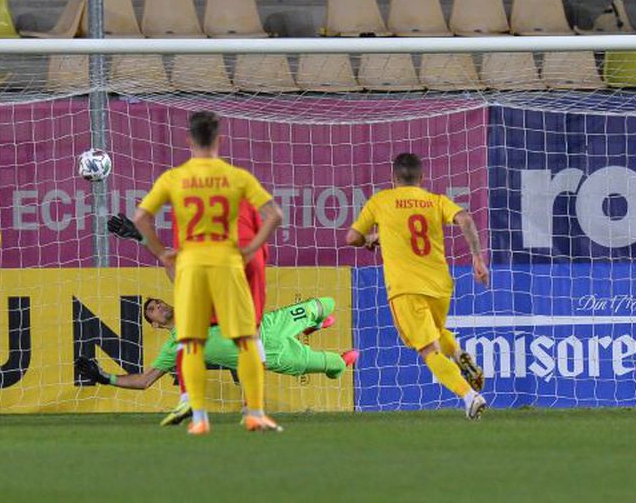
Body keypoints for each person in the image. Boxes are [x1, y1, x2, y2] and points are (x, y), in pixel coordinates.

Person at [133, 110, 284, 435]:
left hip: (191, 267)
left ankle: (200, 418)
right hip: (227, 264)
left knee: (190, 344)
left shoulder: (174, 178)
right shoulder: (237, 176)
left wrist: (161, 251)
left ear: (189, 140)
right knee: (246, 339)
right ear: (219, 140)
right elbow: (274, 215)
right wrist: (250, 247)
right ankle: (254, 413)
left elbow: (140, 218)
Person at [346, 152, 489, 420]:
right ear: (422, 178)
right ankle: (458, 353)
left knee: (428, 350)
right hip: (440, 285)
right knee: (437, 331)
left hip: (405, 288)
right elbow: (466, 219)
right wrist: (478, 259)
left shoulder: (381, 201)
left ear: (392, 178)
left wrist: (370, 239)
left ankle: (469, 397)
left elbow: (352, 237)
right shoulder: (435, 200)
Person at [75, 297, 358, 426]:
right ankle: (333, 360)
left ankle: (314, 325)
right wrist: (106, 378)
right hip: (270, 356)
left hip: (268, 325)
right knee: (334, 364)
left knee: (326, 303)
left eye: (158, 303)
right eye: (152, 310)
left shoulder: (194, 307)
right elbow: (145, 380)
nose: (158, 307)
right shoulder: (174, 346)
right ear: (156, 325)